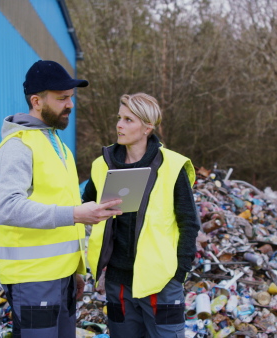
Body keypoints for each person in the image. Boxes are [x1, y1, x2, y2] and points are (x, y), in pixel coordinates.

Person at [0, 60, 123, 338]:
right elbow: (8, 208)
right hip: (33, 280)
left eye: (71, 98)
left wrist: (75, 270)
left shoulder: (59, 147)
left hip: (61, 278)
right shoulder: (17, 146)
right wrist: (76, 214)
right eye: (62, 98)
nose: (70, 105)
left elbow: (62, 207)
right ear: (37, 101)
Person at [83, 93, 200, 338]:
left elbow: (189, 222)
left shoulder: (172, 165)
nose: (119, 125)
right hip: (118, 283)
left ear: (147, 127)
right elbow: (86, 211)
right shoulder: (101, 165)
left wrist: (179, 273)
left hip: (161, 283)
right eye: (119, 118)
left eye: (128, 120)